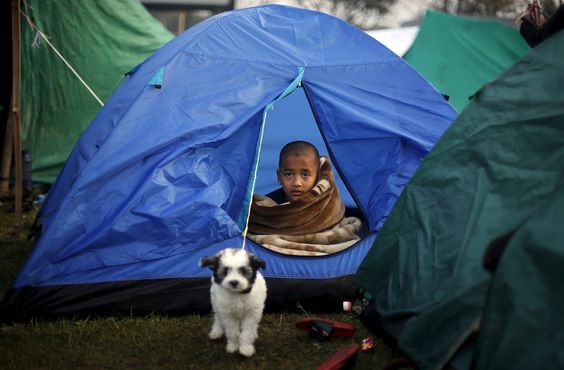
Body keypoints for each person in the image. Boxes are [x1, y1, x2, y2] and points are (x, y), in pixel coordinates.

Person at [247, 141, 362, 256]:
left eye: (305, 174)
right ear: (279, 176)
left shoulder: (327, 202)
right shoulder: (266, 210)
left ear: (317, 177)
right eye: (289, 174)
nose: (297, 183)